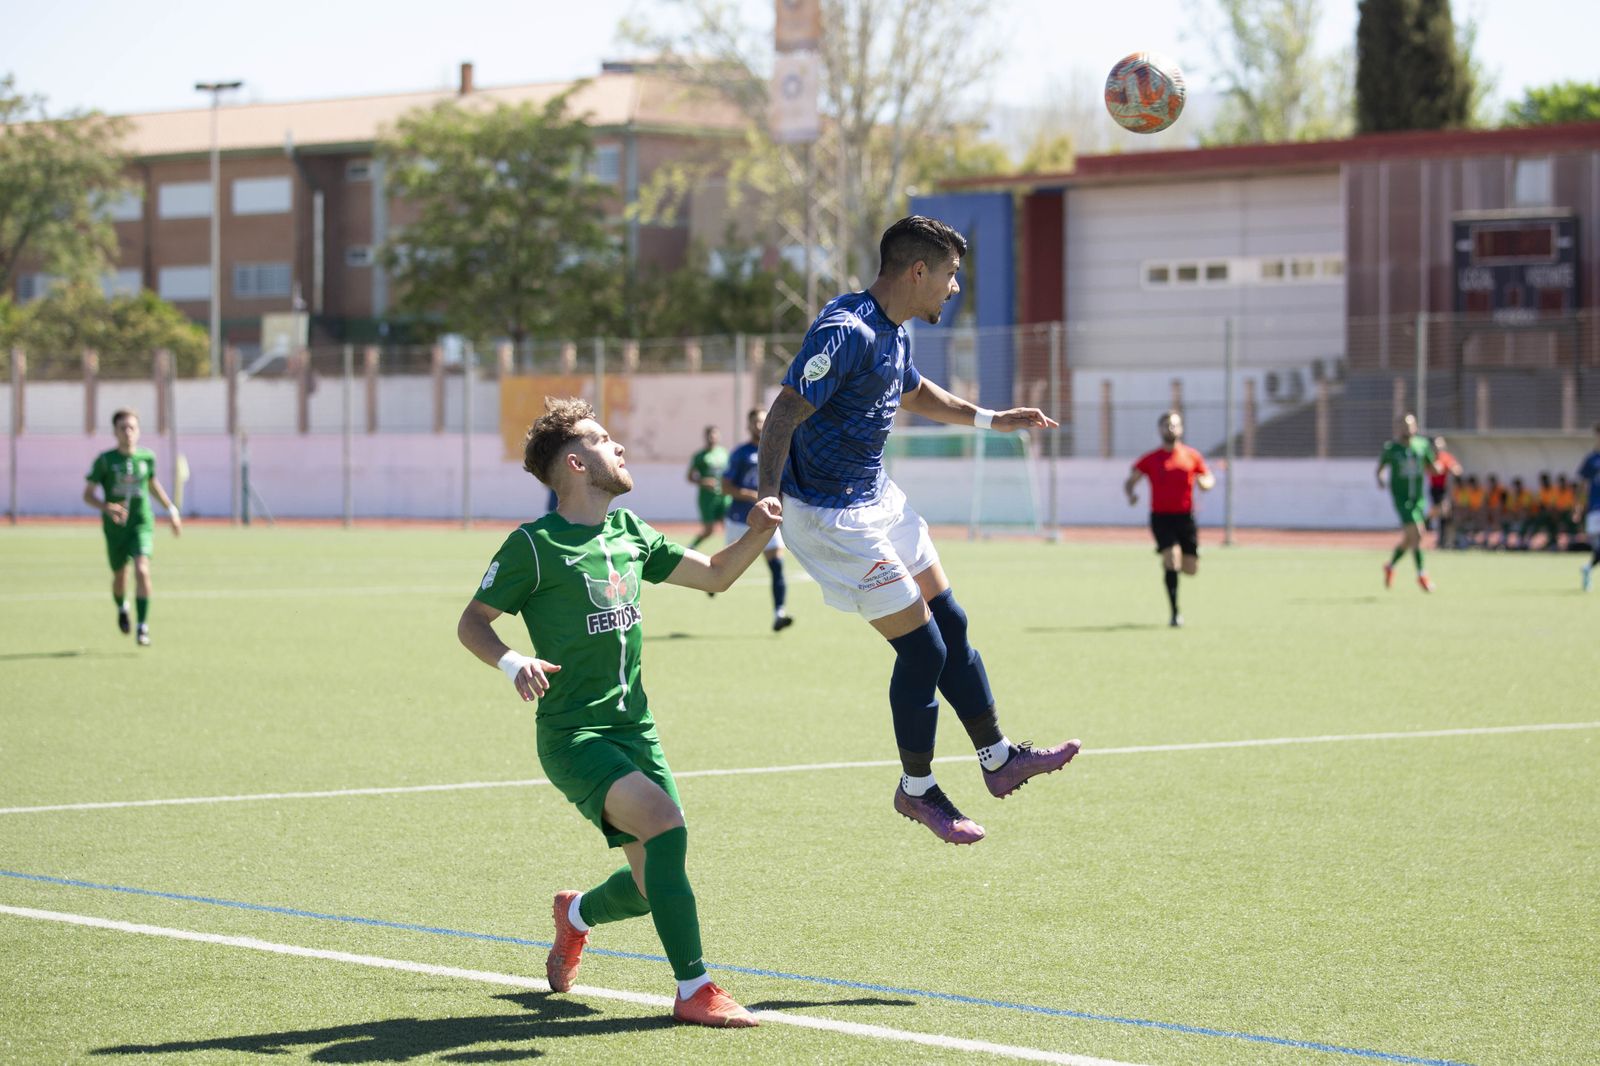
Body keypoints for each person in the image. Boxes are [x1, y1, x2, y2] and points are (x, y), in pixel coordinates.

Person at [753, 214, 1078, 847]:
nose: (956, 289)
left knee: (950, 623)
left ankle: (998, 757)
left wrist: (992, 419)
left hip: (878, 500)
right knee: (923, 649)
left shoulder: (894, 330)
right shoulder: (845, 332)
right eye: (952, 275)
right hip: (830, 518)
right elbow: (784, 409)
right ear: (918, 271)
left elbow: (914, 392)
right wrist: (767, 497)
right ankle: (917, 788)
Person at [457, 398, 779, 1028]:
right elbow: (472, 621)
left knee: (648, 884)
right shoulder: (534, 545)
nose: (619, 446)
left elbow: (715, 575)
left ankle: (575, 916)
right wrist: (510, 660)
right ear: (576, 463)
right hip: (574, 736)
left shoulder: (629, 531)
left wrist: (759, 532)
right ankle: (695, 989)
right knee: (667, 823)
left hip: (638, 732)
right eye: (604, 440)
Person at [81, 409, 182, 646]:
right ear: (115, 432)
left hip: (141, 523)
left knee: (142, 570)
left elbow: (152, 484)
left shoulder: (147, 458)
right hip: (116, 528)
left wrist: (171, 510)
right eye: (123, 428)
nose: (128, 432)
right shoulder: (105, 461)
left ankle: (142, 626)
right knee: (120, 577)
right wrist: (107, 507)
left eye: (132, 428)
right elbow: (87, 495)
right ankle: (122, 607)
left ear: (138, 431)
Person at [1123, 410, 1216, 627]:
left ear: (1181, 429)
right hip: (1161, 518)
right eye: (1166, 425)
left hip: (1185, 518)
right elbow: (1131, 480)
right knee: (1172, 559)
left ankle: (1178, 559)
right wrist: (1131, 494)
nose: (1171, 428)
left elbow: (1207, 477)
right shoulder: (1151, 458)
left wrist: (1206, 483)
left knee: (1191, 569)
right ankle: (1175, 613)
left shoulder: (1191, 456)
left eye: (1174, 425)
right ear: (1160, 429)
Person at [721, 407, 794, 632]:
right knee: (722, 571)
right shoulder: (740, 454)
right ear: (748, 425)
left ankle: (779, 612)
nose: (759, 426)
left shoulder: (777, 451)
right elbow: (726, 487)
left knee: (777, 565)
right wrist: (756, 497)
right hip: (739, 520)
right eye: (755, 422)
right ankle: (709, 585)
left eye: (763, 421)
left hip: (768, 522)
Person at [1375, 413, 1440, 591]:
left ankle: (1390, 566)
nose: (1407, 429)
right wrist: (1380, 479)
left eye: (1409, 425)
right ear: (1398, 428)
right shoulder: (1392, 448)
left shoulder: (1422, 445)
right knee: (1418, 533)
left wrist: (1437, 462)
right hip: (1401, 498)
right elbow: (1380, 468)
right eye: (1403, 425)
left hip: (1418, 498)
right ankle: (1421, 575)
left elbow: (1433, 468)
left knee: (1410, 539)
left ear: (1415, 427)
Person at [685, 425, 730, 551]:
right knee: (709, 530)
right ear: (706, 437)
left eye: (715, 434)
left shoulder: (724, 453)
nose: (713, 437)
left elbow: (729, 473)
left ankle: (731, 552)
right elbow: (689, 477)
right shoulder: (700, 456)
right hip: (707, 498)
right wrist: (702, 481)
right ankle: (691, 547)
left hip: (724, 496)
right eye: (710, 434)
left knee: (729, 525)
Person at [1427, 436, 1464, 549]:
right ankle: (1429, 523)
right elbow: (1430, 470)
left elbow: (1457, 469)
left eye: (1440, 445)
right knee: (1442, 512)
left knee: (1445, 514)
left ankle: (1444, 540)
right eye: (1436, 445)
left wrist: (1455, 470)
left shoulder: (1445, 457)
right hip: (1435, 489)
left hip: (1444, 488)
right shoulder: (1430, 457)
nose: (1438, 447)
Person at [1577, 423, 1600, 591]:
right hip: (1595, 510)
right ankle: (1588, 568)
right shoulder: (1591, 460)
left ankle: (1588, 568)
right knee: (1598, 546)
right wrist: (1578, 508)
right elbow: (1583, 486)